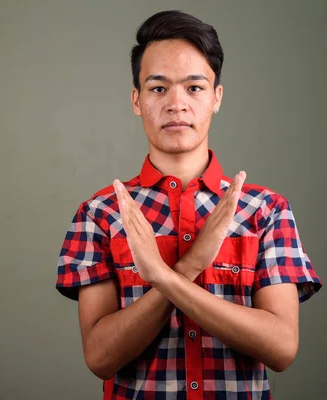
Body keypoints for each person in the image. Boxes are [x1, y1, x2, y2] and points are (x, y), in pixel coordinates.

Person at [55, 10, 322, 400]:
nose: (176, 104)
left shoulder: (266, 211)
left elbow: (281, 348)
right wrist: (193, 264)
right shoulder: (101, 214)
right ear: (137, 99)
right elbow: (100, 357)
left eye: (194, 88)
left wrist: (163, 276)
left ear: (217, 97)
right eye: (158, 88)